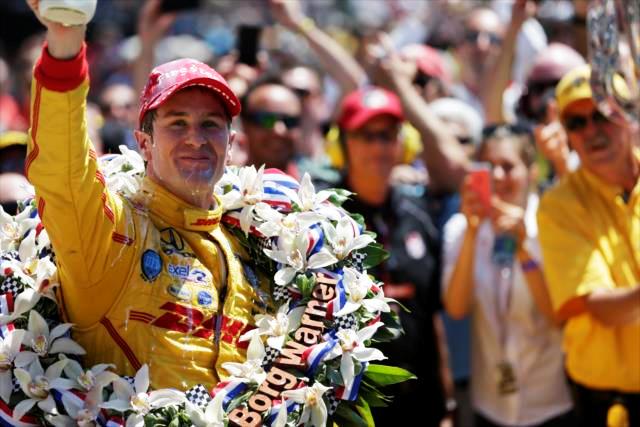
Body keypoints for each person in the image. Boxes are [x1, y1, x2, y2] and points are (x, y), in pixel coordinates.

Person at [24, 0, 268, 391]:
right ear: (144, 144)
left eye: (211, 124)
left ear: (232, 143)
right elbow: (63, 171)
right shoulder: (112, 235)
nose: (196, 138)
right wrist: (65, 43)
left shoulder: (257, 245)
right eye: (177, 123)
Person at [321, 86, 450, 427]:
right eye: (367, 135)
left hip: (421, 405)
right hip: (347, 409)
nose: (379, 146)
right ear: (342, 144)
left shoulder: (419, 211)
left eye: (388, 135)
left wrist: (447, 402)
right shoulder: (321, 217)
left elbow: (432, 316)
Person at [442, 125, 574, 427]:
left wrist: (524, 249)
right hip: (490, 406)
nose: (498, 177)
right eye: (488, 167)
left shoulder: (552, 227)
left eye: (508, 166)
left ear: (532, 172)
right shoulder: (461, 229)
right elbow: (456, 308)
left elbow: (558, 317)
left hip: (550, 403)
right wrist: (473, 233)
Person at [537, 64, 640, 426]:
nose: (592, 130)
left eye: (602, 114)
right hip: (612, 403)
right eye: (577, 123)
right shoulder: (559, 206)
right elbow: (602, 308)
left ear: (628, 113)